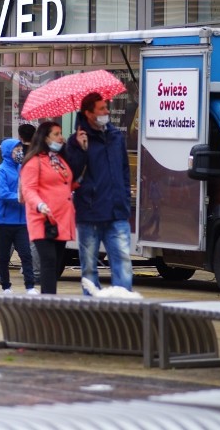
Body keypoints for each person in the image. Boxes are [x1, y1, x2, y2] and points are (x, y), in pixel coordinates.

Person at [65, 92, 134, 294]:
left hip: (117, 212)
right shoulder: (75, 141)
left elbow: (124, 171)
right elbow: (71, 176)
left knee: (123, 263)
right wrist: (80, 150)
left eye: (106, 107)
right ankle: (91, 310)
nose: (107, 112)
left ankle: (122, 308)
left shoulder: (115, 136)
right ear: (88, 113)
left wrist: (125, 199)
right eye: (102, 109)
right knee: (88, 267)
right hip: (90, 213)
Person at [19, 121, 76, 295]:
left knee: (56, 264)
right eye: (56, 134)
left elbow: (69, 183)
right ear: (45, 138)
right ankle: (48, 303)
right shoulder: (34, 161)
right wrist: (40, 204)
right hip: (43, 219)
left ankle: (50, 299)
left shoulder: (59, 159)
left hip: (61, 219)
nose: (61, 137)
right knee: (49, 261)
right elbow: (28, 189)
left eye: (61, 133)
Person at [0, 138, 37, 294]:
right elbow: (3, 193)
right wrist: (20, 197)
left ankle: (30, 286)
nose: (19, 152)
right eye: (15, 150)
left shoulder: (23, 169)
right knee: (3, 256)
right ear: (7, 152)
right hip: (3, 222)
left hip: (21, 222)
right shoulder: (1, 171)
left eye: (20, 149)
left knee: (26, 254)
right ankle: (6, 286)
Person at [18, 122, 40, 282]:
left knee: (25, 236)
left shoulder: (19, 153)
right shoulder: (37, 153)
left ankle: (30, 268)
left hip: (24, 199)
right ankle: (29, 267)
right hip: (35, 199)